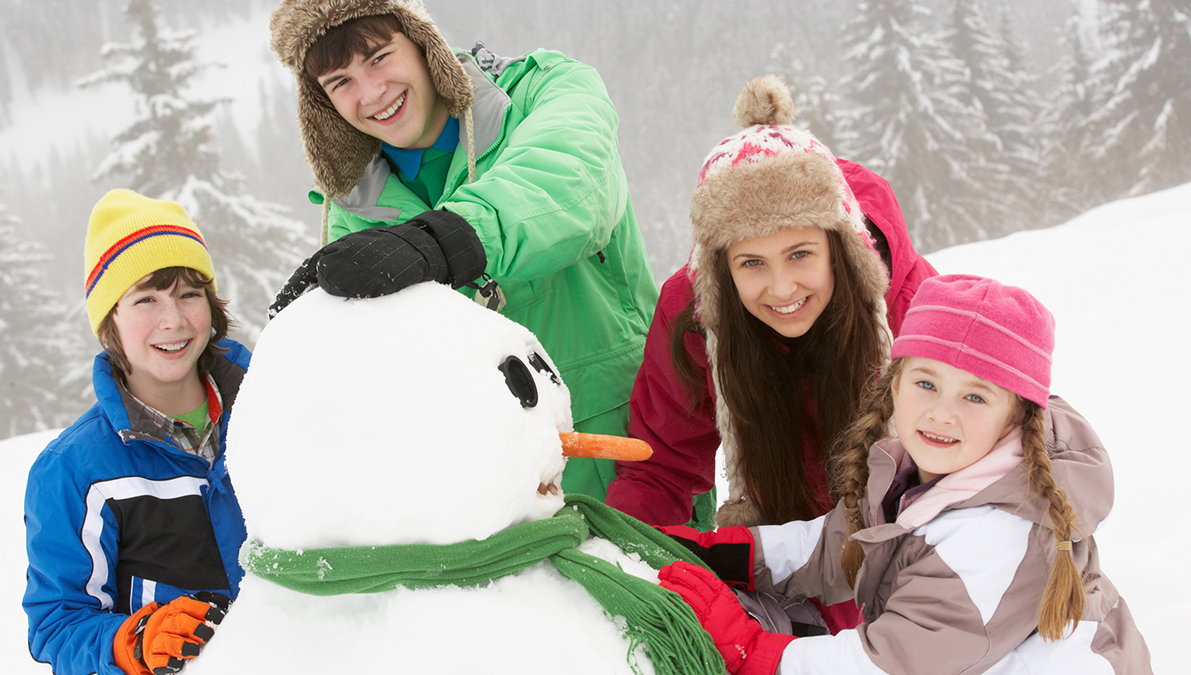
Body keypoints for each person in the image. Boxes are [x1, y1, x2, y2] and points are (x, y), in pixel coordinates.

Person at [659, 274, 1153, 674]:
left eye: (975, 396)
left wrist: (756, 652)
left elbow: (887, 666)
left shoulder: (997, 536)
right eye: (925, 383)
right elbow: (841, 543)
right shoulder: (929, 471)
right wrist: (735, 553)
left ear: (1018, 416)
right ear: (894, 385)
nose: (941, 413)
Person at [267, 0, 659, 502]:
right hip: (489, 486)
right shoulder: (354, 206)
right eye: (339, 82)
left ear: (422, 42)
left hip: (628, 451)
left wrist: (442, 239)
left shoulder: (544, 90)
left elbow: (574, 188)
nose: (370, 93)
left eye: (379, 57)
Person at [606, 74, 938, 532]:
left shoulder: (914, 309)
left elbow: (994, 445)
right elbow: (661, 468)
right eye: (751, 263)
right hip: (781, 560)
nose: (782, 289)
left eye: (799, 254)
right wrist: (618, 555)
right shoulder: (696, 319)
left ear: (839, 248)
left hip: (908, 547)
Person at [23, 190, 250, 675]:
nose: (174, 320)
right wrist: (134, 640)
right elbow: (57, 624)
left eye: (190, 293)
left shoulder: (272, 407)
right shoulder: (74, 470)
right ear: (110, 324)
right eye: (146, 298)